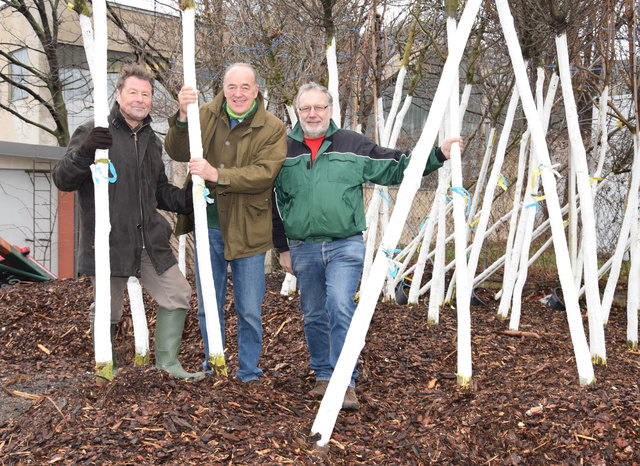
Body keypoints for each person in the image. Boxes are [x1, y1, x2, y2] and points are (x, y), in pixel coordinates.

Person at [272, 82, 463, 410]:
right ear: (298, 112)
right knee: (313, 313)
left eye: (319, 107)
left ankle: (345, 380)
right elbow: (272, 199)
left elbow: (395, 165)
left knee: (340, 306)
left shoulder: (352, 144)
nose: (313, 114)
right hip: (302, 247)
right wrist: (282, 248)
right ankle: (322, 374)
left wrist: (436, 155)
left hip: (344, 246)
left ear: (330, 110)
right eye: (306, 108)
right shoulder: (282, 149)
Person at [52, 63, 203, 381]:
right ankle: (106, 369)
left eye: (145, 94)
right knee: (109, 310)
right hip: (110, 241)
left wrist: (188, 197)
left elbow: (158, 191)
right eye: (132, 92)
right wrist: (85, 151)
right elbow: (63, 179)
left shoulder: (151, 140)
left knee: (177, 294)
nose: (140, 99)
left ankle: (168, 366)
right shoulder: (95, 130)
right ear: (118, 95)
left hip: (149, 240)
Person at [164, 63, 287, 383]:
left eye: (245, 87)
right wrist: (181, 114)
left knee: (249, 310)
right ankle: (213, 365)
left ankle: (248, 372)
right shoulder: (204, 114)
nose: (238, 93)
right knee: (208, 306)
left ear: (256, 90)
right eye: (232, 87)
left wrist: (217, 175)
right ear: (223, 88)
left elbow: (264, 174)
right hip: (209, 228)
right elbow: (176, 150)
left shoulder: (272, 127)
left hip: (249, 231)